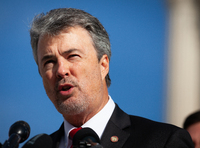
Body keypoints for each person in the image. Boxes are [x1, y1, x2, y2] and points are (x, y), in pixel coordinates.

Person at [29, 8, 193, 148]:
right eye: (49, 62)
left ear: (103, 65)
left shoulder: (164, 141)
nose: (61, 70)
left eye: (72, 56)